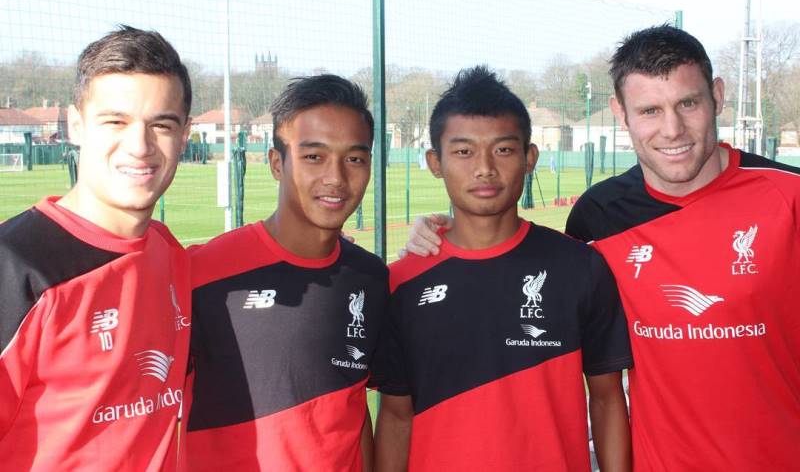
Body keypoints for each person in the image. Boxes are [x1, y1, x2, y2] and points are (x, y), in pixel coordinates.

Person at [406, 26, 800, 471]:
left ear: (717, 96)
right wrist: (438, 231)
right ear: (620, 113)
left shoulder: (788, 198)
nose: (672, 129)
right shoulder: (598, 218)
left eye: (688, 103)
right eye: (649, 110)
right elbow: (512, 260)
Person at [373, 66, 632, 472]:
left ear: (529, 158)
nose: (484, 168)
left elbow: (606, 398)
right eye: (463, 151)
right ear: (434, 162)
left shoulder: (579, 266)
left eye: (503, 149)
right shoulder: (401, 283)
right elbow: (394, 416)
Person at [0, 26, 193, 470]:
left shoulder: (169, 255)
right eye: (116, 122)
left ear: (183, 135)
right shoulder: (17, 267)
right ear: (76, 125)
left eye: (161, 125)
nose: (140, 147)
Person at [185, 75, 388, 471]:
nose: (336, 178)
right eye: (314, 157)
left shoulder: (370, 279)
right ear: (277, 163)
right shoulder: (203, 274)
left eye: (355, 158)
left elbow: (353, 406)